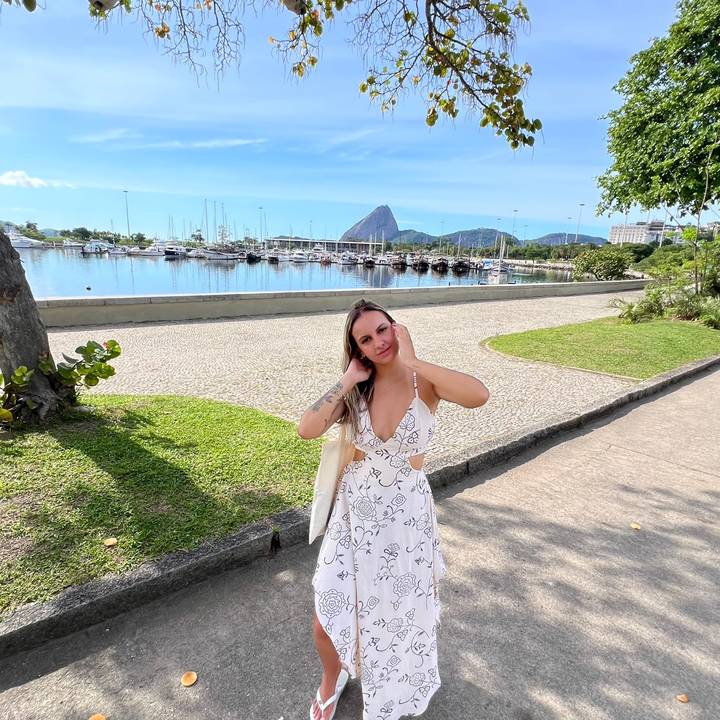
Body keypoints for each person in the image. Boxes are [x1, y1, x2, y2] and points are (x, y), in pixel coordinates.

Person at [298, 298, 490, 720]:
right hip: (355, 515)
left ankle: (393, 686)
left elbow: (479, 395)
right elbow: (307, 429)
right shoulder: (357, 388)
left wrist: (414, 360)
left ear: (396, 327)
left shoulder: (426, 383)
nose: (378, 342)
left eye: (382, 330)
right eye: (365, 339)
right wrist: (348, 378)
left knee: (396, 614)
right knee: (326, 608)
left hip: (406, 521)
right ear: (358, 349)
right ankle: (331, 679)